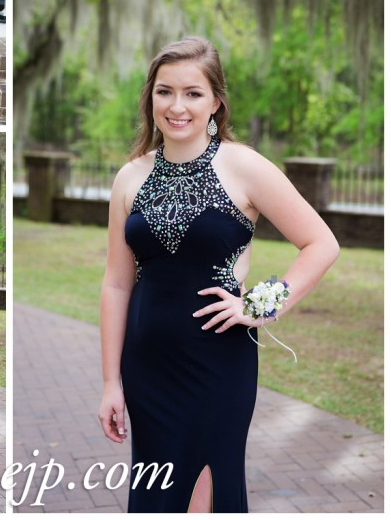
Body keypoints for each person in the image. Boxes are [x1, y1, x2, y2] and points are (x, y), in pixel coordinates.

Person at [97, 37, 339, 512]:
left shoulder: (243, 164)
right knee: (155, 498)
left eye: (193, 93)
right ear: (150, 98)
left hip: (216, 360)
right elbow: (116, 283)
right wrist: (110, 383)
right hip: (147, 364)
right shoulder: (130, 176)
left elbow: (321, 244)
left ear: (216, 101)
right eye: (165, 91)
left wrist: (257, 307)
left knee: (205, 490)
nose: (177, 106)